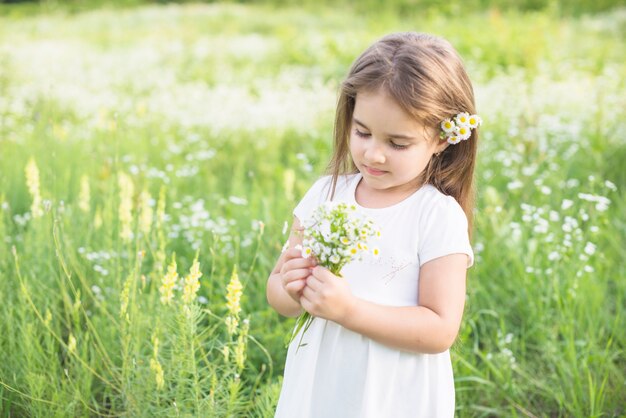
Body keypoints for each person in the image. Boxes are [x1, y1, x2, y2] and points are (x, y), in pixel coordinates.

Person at [266, 32, 480, 418]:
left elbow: (440, 329)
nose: (373, 153)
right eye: (362, 132)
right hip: (322, 384)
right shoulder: (325, 194)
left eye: (398, 143)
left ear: (441, 140)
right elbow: (279, 298)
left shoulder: (436, 215)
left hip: (395, 394)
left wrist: (349, 310)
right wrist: (291, 285)